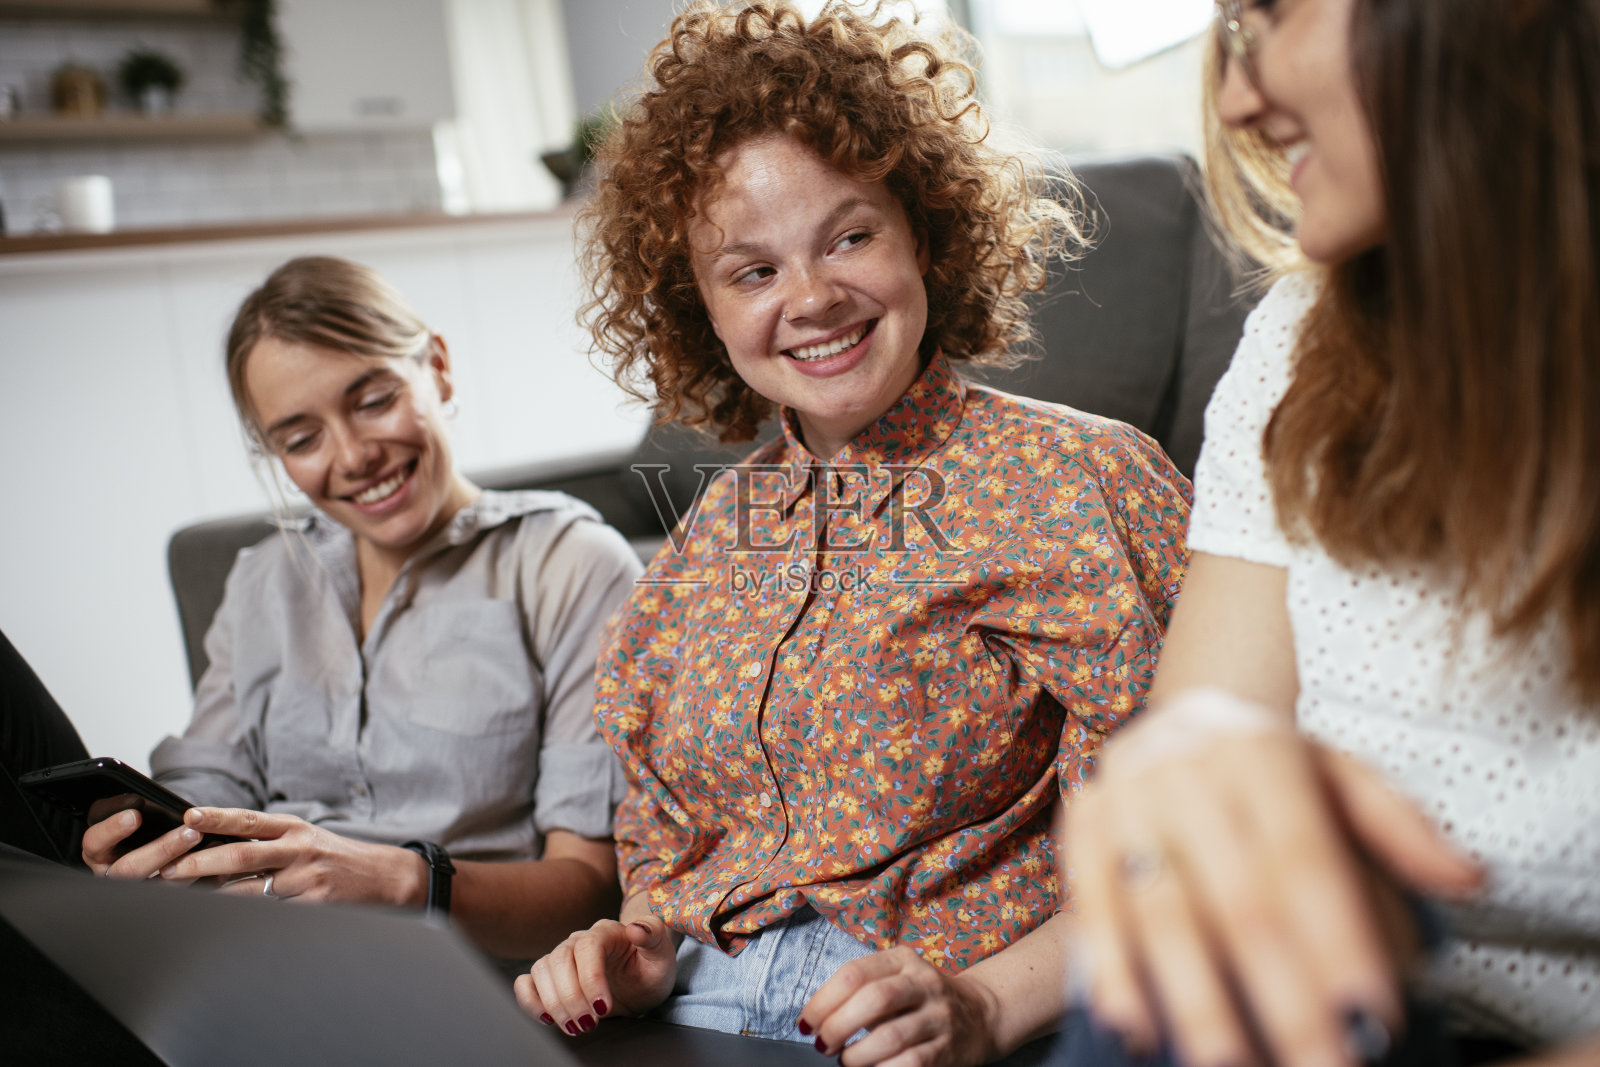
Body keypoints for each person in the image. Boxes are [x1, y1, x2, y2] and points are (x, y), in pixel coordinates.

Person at [514, 3, 1193, 1063]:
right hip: (689, 1017)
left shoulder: (1082, 482)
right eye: (753, 271)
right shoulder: (706, 536)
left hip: (952, 1023)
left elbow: (1182, 842)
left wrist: (976, 1003)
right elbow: (662, 835)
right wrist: (637, 945)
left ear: (923, 231)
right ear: (701, 307)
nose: (813, 297)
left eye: (850, 235)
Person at [1062, 2, 1600, 1066]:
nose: (1234, 98)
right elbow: (1205, 726)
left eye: (1273, 17)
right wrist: (1175, 794)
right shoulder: (1298, 343)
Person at [80, 255, 642, 964]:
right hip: (267, 955)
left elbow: (591, 891)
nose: (352, 457)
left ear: (436, 368)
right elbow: (206, 784)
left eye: (373, 399)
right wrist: (143, 837)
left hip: (465, 971)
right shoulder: (263, 580)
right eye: (302, 439)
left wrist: (404, 881)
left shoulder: (571, 563)